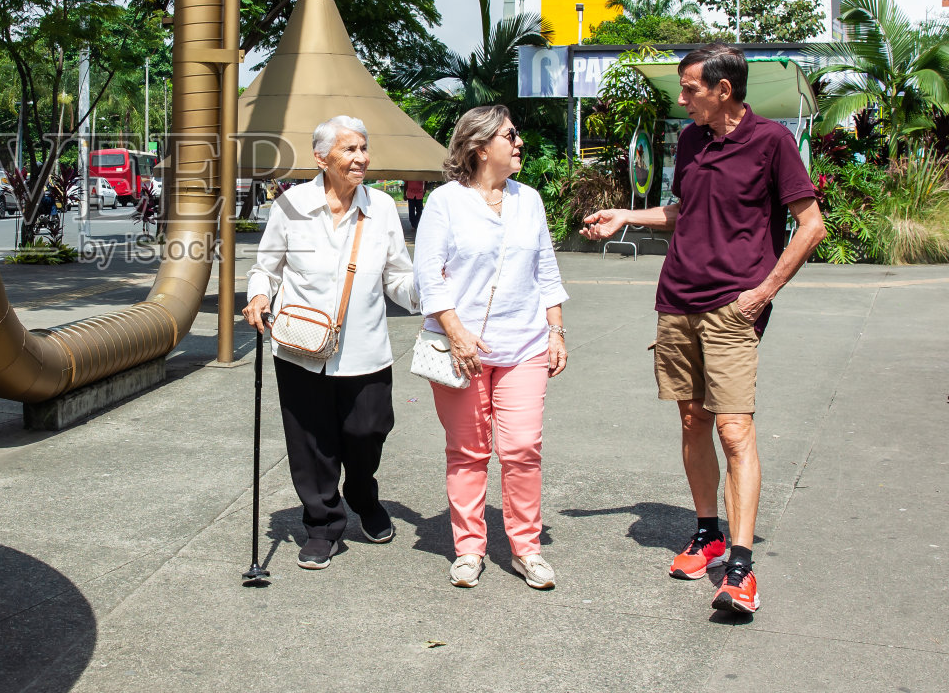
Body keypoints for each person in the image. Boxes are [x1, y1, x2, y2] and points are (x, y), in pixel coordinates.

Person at [582, 44, 825, 615]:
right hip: (677, 301)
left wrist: (762, 293)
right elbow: (683, 210)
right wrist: (627, 215)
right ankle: (708, 533)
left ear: (724, 90)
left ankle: (740, 568)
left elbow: (811, 226)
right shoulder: (692, 140)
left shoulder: (772, 141)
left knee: (735, 431)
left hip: (732, 306)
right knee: (693, 420)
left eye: (691, 88)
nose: (683, 97)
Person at [243, 115, 417, 570]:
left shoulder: (382, 208)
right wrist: (259, 295)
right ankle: (322, 525)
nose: (361, 158)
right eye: (349, 149)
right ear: (321, 158)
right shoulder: (290, 205)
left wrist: (430, 290)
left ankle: (361, 493)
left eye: (364, 148)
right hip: (300, 348)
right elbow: (266, 268)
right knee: (311, 443)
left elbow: (398, 278)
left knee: (368, 431)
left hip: (366, 349)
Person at [414, 105, 568, 590]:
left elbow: (546, 269)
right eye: (510, 135)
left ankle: (526, 548)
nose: (519, 142)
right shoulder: (445, 202)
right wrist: (456, 332)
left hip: (525, 345)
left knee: (522, 448)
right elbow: (428, 275)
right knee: (468, 451)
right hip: (462, 349)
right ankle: (469, 549)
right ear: (481, 148)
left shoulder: (529, 200)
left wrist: (556, 329)